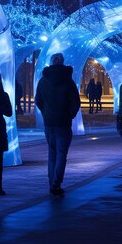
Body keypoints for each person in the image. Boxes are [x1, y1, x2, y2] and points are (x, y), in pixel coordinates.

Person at [35, 53, 81, 196]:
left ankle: (51, 182)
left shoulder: (43, 81)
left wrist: (45, 112)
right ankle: (56, 183)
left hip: (49, 122)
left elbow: (38, 100)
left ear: (51, 63)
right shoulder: (68, 81)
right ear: (62, 62)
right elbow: (76, 102)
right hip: (63, 122)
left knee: (52, 153)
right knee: (61, 154)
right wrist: (70, 115)